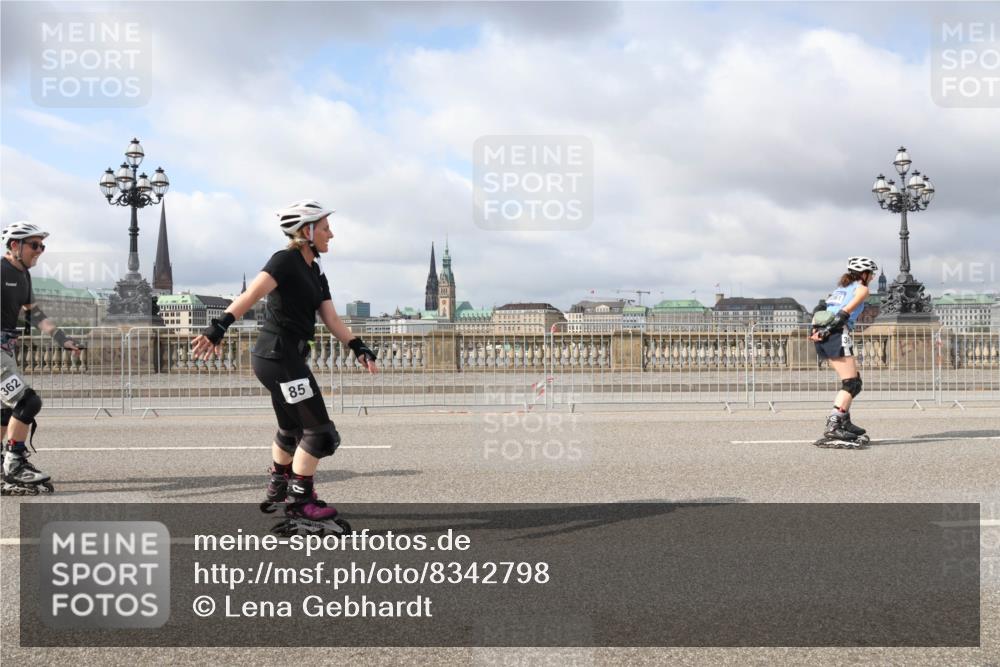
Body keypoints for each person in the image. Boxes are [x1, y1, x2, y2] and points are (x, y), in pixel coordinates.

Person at [191, 200, 377, 533]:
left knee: (292, 429)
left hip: (283, 358)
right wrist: (219, 326)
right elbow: (252, 294)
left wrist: (356, 345)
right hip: (279, 358)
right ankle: (300, 503)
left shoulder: (315, 271)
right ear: (307, 232)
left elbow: (331, 318)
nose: (331, 234)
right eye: (324, 228)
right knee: (320, 433)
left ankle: (280, 484)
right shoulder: (286, 260)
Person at [1, 221, 83, 495]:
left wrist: (63, 339)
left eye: (42, 246)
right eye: (34, 245)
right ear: (15, 245)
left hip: (7, 348)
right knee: (27, 401)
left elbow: (34, 313)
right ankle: (14, 464)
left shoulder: (24, 276)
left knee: (5, 412)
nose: (39, 250)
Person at [809, 256, 878, 449]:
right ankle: (834, 424)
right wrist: (827, 331)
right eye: (871, 274)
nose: (872, 277)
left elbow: (820, 310)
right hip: (837, 332)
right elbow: (844, 313)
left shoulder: (839, 290)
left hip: (824, 332)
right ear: (864, 274)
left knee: (854, 381)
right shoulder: (862, 289)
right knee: (851, 383)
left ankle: (844, 421)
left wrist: (818, 331)